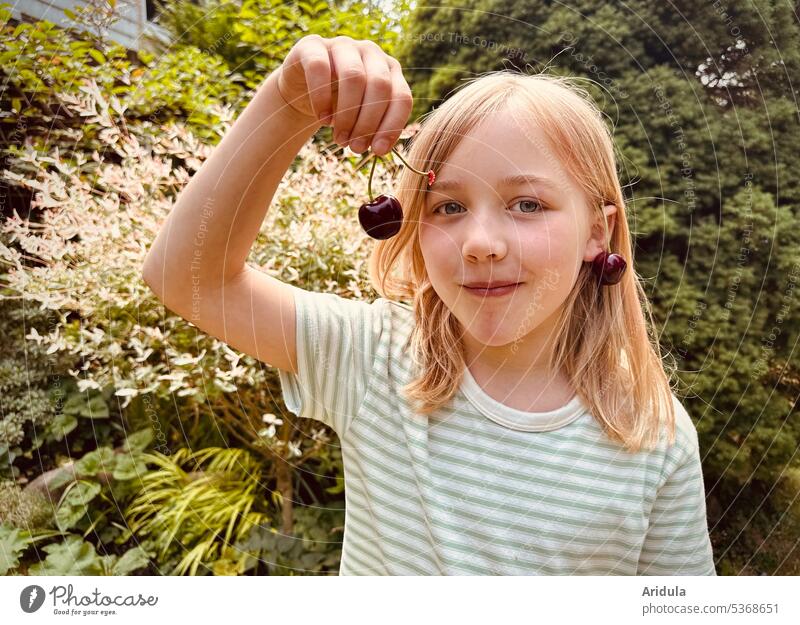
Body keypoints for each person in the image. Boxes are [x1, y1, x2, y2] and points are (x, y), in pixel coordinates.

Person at [141, 34, 716, 575]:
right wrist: (288, 104)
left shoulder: (655, 437)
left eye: (527, 204)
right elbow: (189, 279)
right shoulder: (374, 357)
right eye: (448, 208)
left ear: (597, 231)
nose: (482, 243)